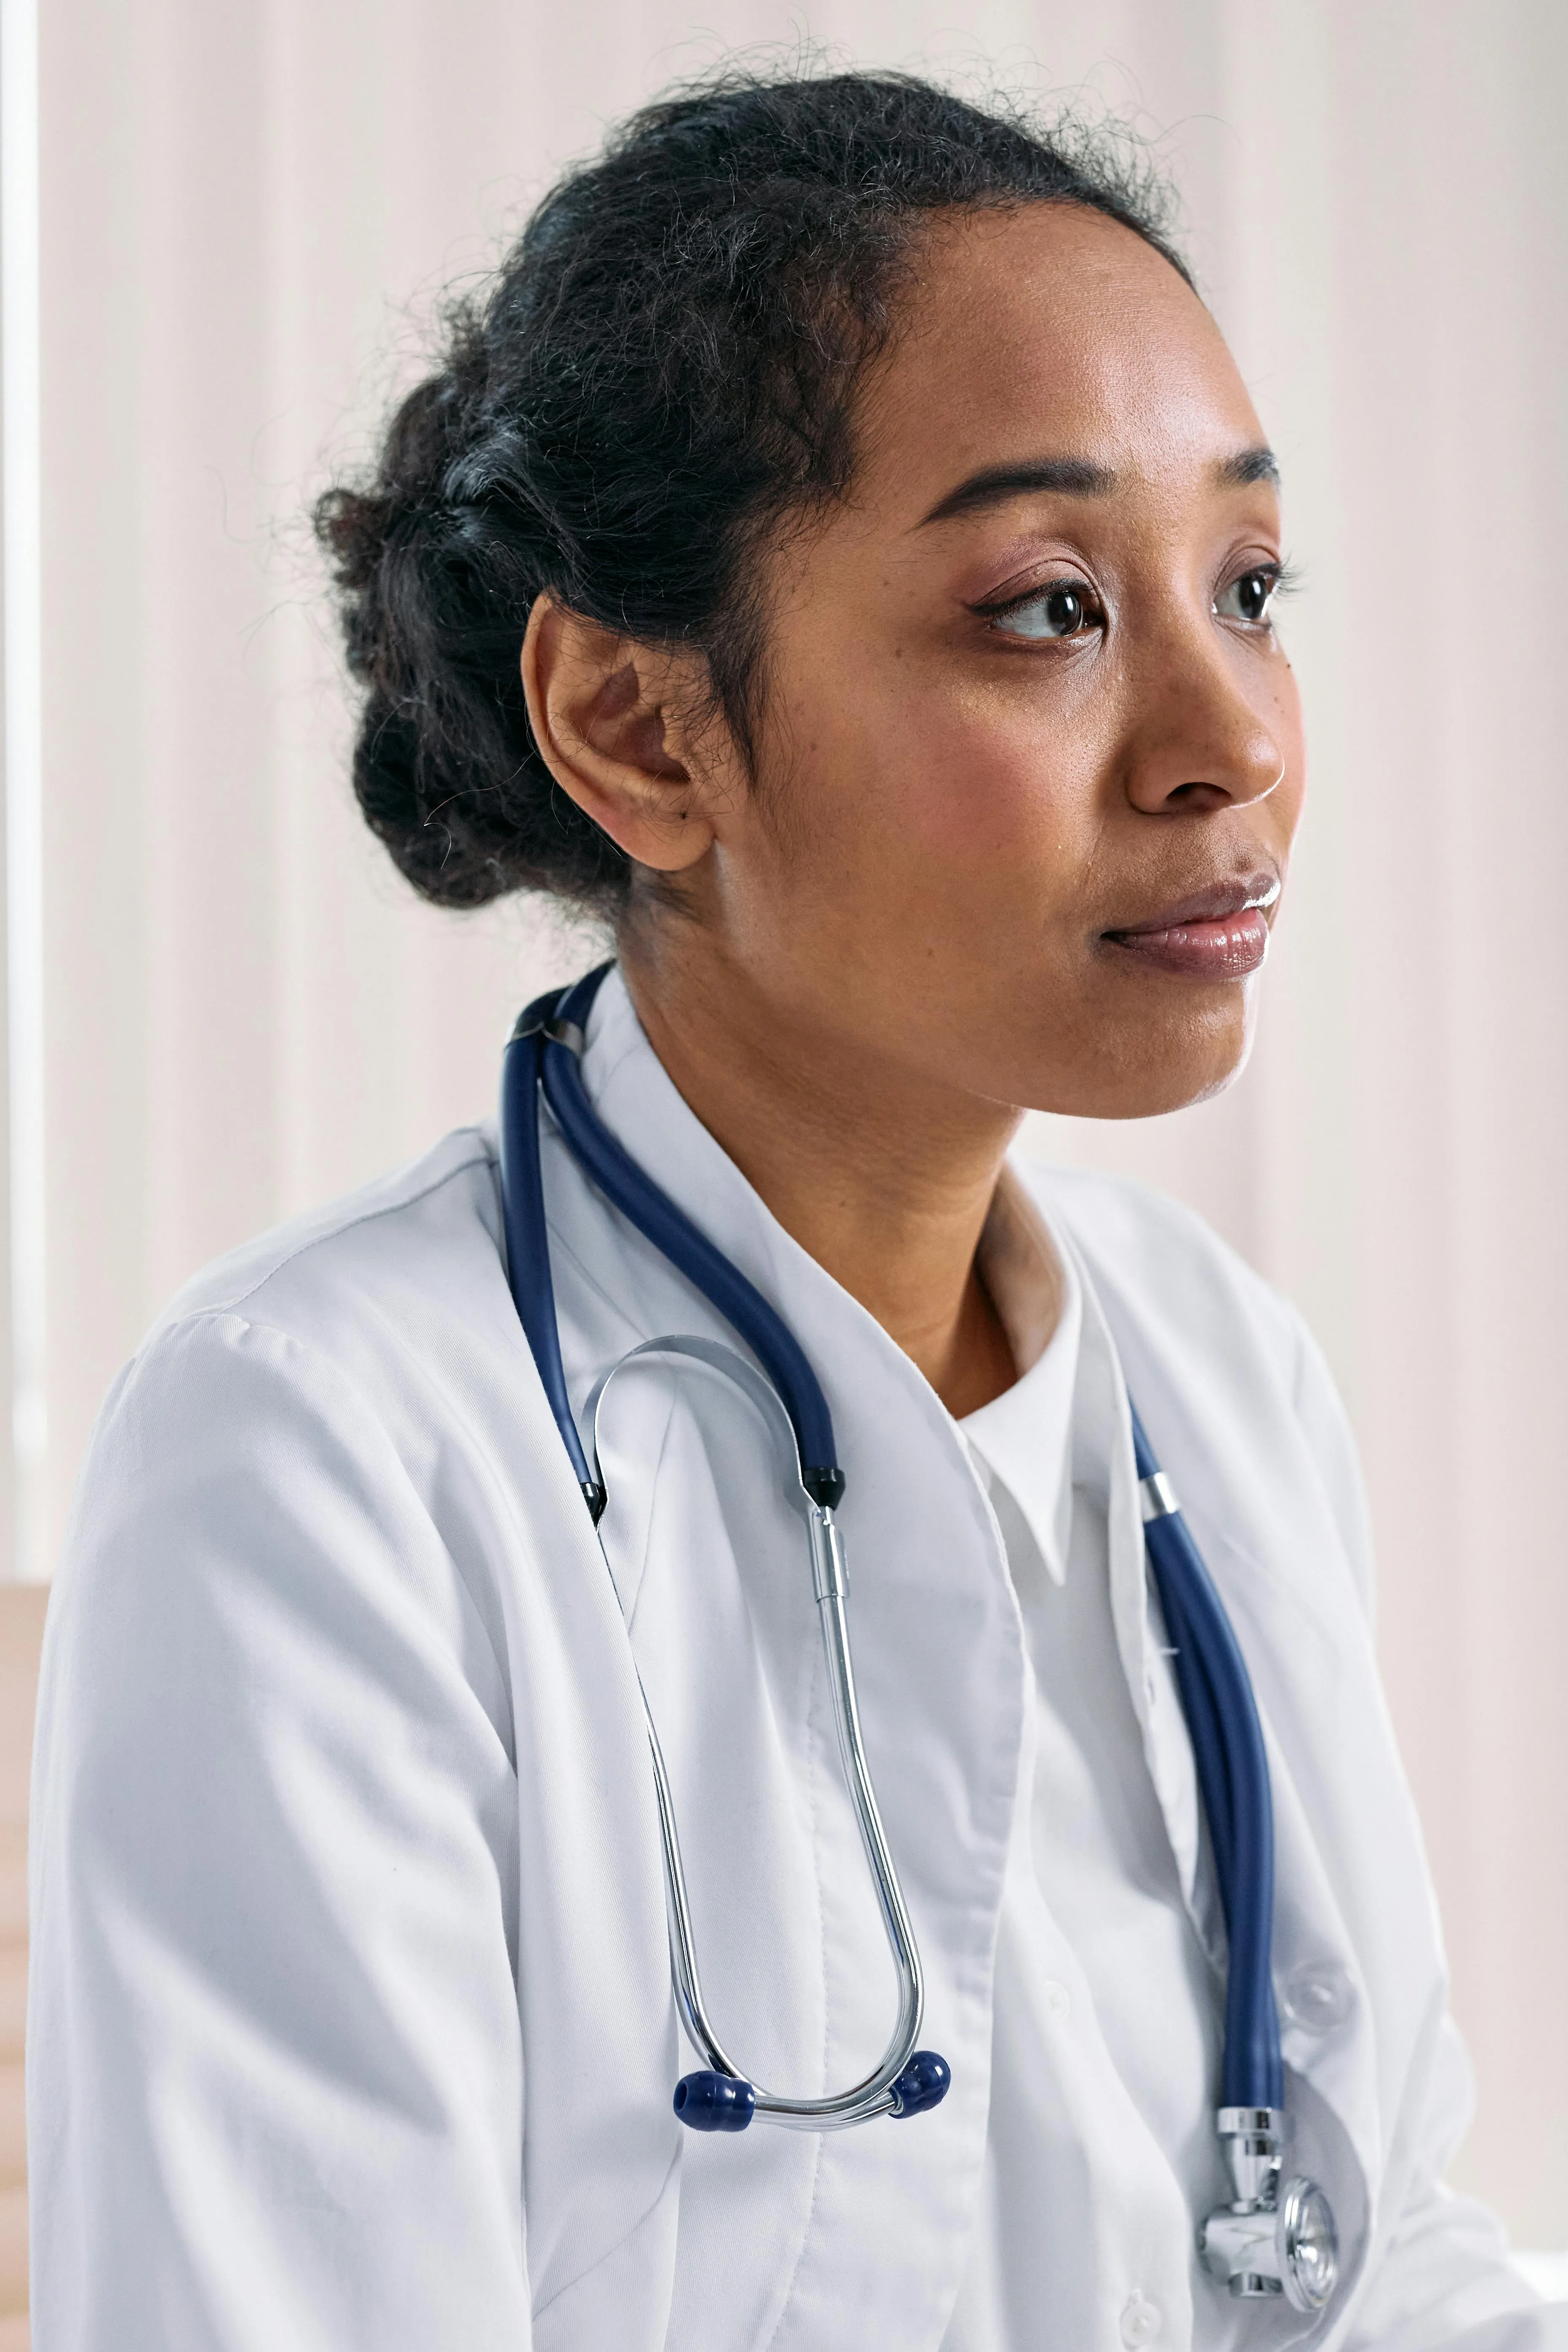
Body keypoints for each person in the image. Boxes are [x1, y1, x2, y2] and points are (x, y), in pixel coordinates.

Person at [25, 68, 1563, 2352]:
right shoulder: (325, 1462)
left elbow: (1369, 2264)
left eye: (1248, 581)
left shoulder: (1216, 1376)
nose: (1227, 736)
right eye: (1049, 607)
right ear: (643, 730)